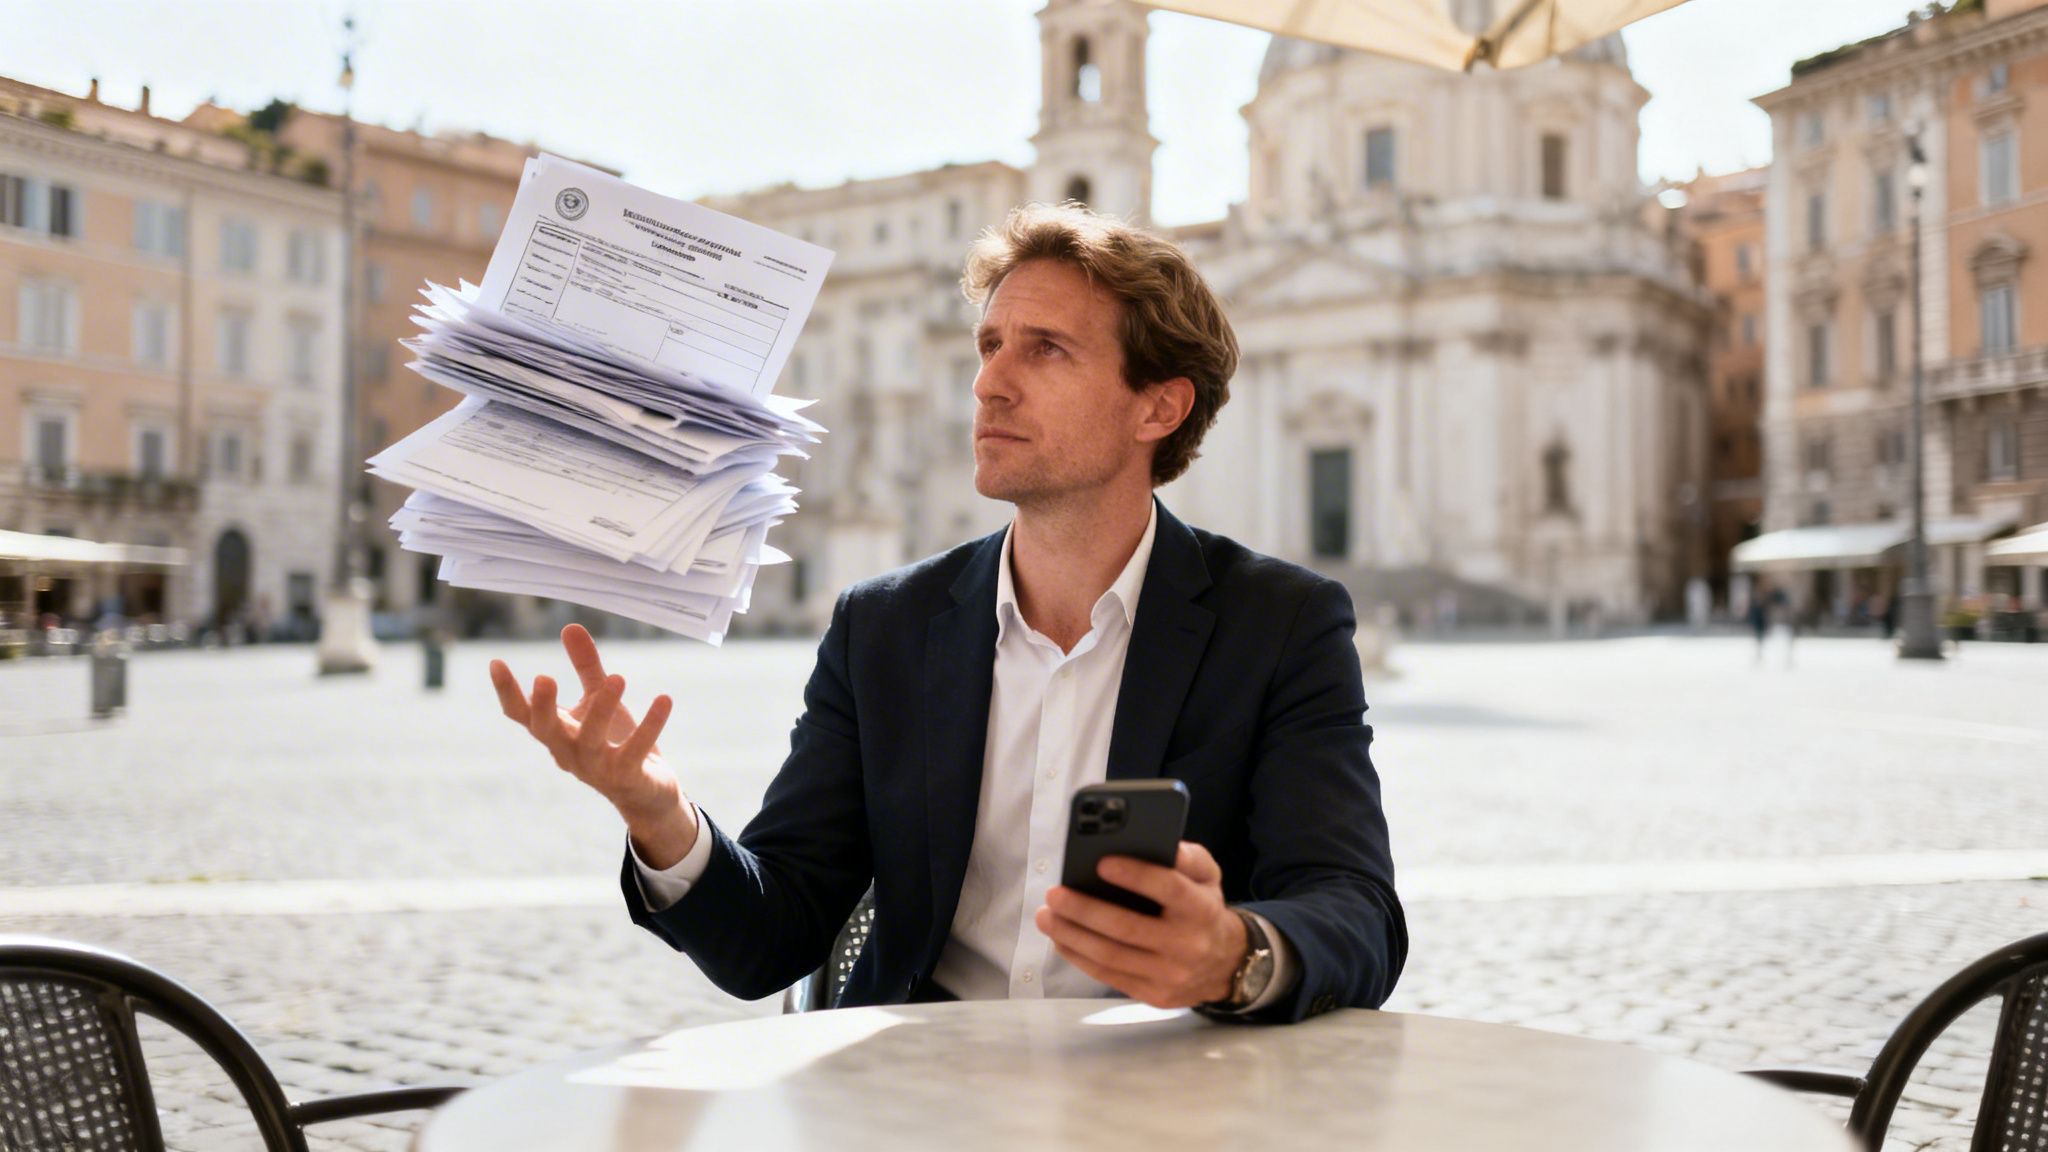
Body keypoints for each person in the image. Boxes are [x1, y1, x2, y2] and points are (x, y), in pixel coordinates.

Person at [491, 204, 1404, 1022]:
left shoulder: (1282, 624)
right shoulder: (882, 627)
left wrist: (1232, 955)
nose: (989, 383)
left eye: (1044, 348)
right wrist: (663, 821)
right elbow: (769, 938)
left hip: (1170, 1103)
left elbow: (1353, 909)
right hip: (919, 1106)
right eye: (988, 345)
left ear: (1158, 406)